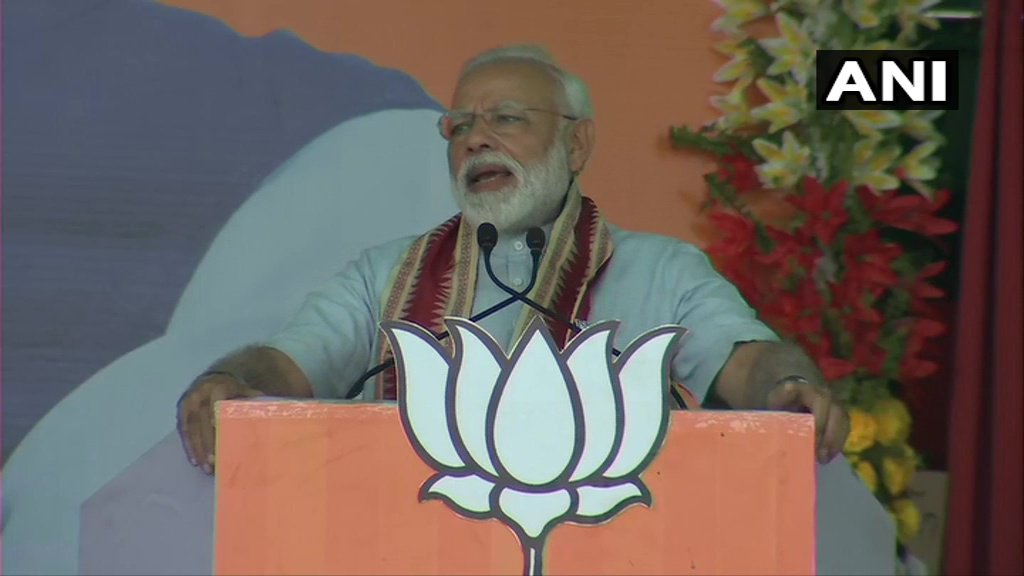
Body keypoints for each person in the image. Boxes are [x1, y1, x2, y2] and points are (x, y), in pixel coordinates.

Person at [176, 45, 850, 475]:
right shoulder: (385, 275)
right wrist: (230, 376)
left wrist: (789, 386)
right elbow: (289, 363)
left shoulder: (664, 272)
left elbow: (751, 360)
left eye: (506, 119)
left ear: (577, 144)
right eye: (460, 126)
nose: (476, 141)